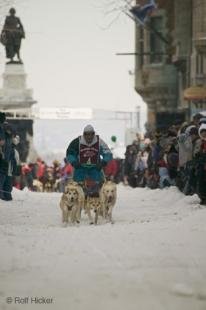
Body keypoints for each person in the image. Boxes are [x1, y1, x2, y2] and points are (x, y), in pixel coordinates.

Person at [66, 125, 112, 190]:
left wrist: (103, 162)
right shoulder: (77, 142)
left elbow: (108, 153)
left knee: (99, 186)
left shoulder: (99, 142)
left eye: (91, 134)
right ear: (84, 134)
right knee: (77, 186)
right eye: (87, 134)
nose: (89, 137)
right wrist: (74, 162)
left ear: (94, 134)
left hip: (96, 168)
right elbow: (70, 153)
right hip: (80, 168)